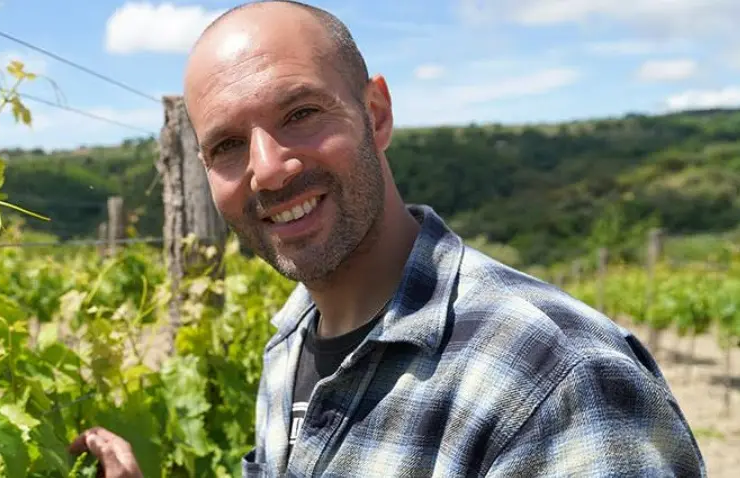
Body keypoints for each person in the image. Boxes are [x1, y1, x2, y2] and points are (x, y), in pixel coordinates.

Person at [69, 1, 708, 476]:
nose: (268, 168)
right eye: (228, 146)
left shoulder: (555, 381)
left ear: (376, 114)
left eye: (300, 114)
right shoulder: (290, 347)